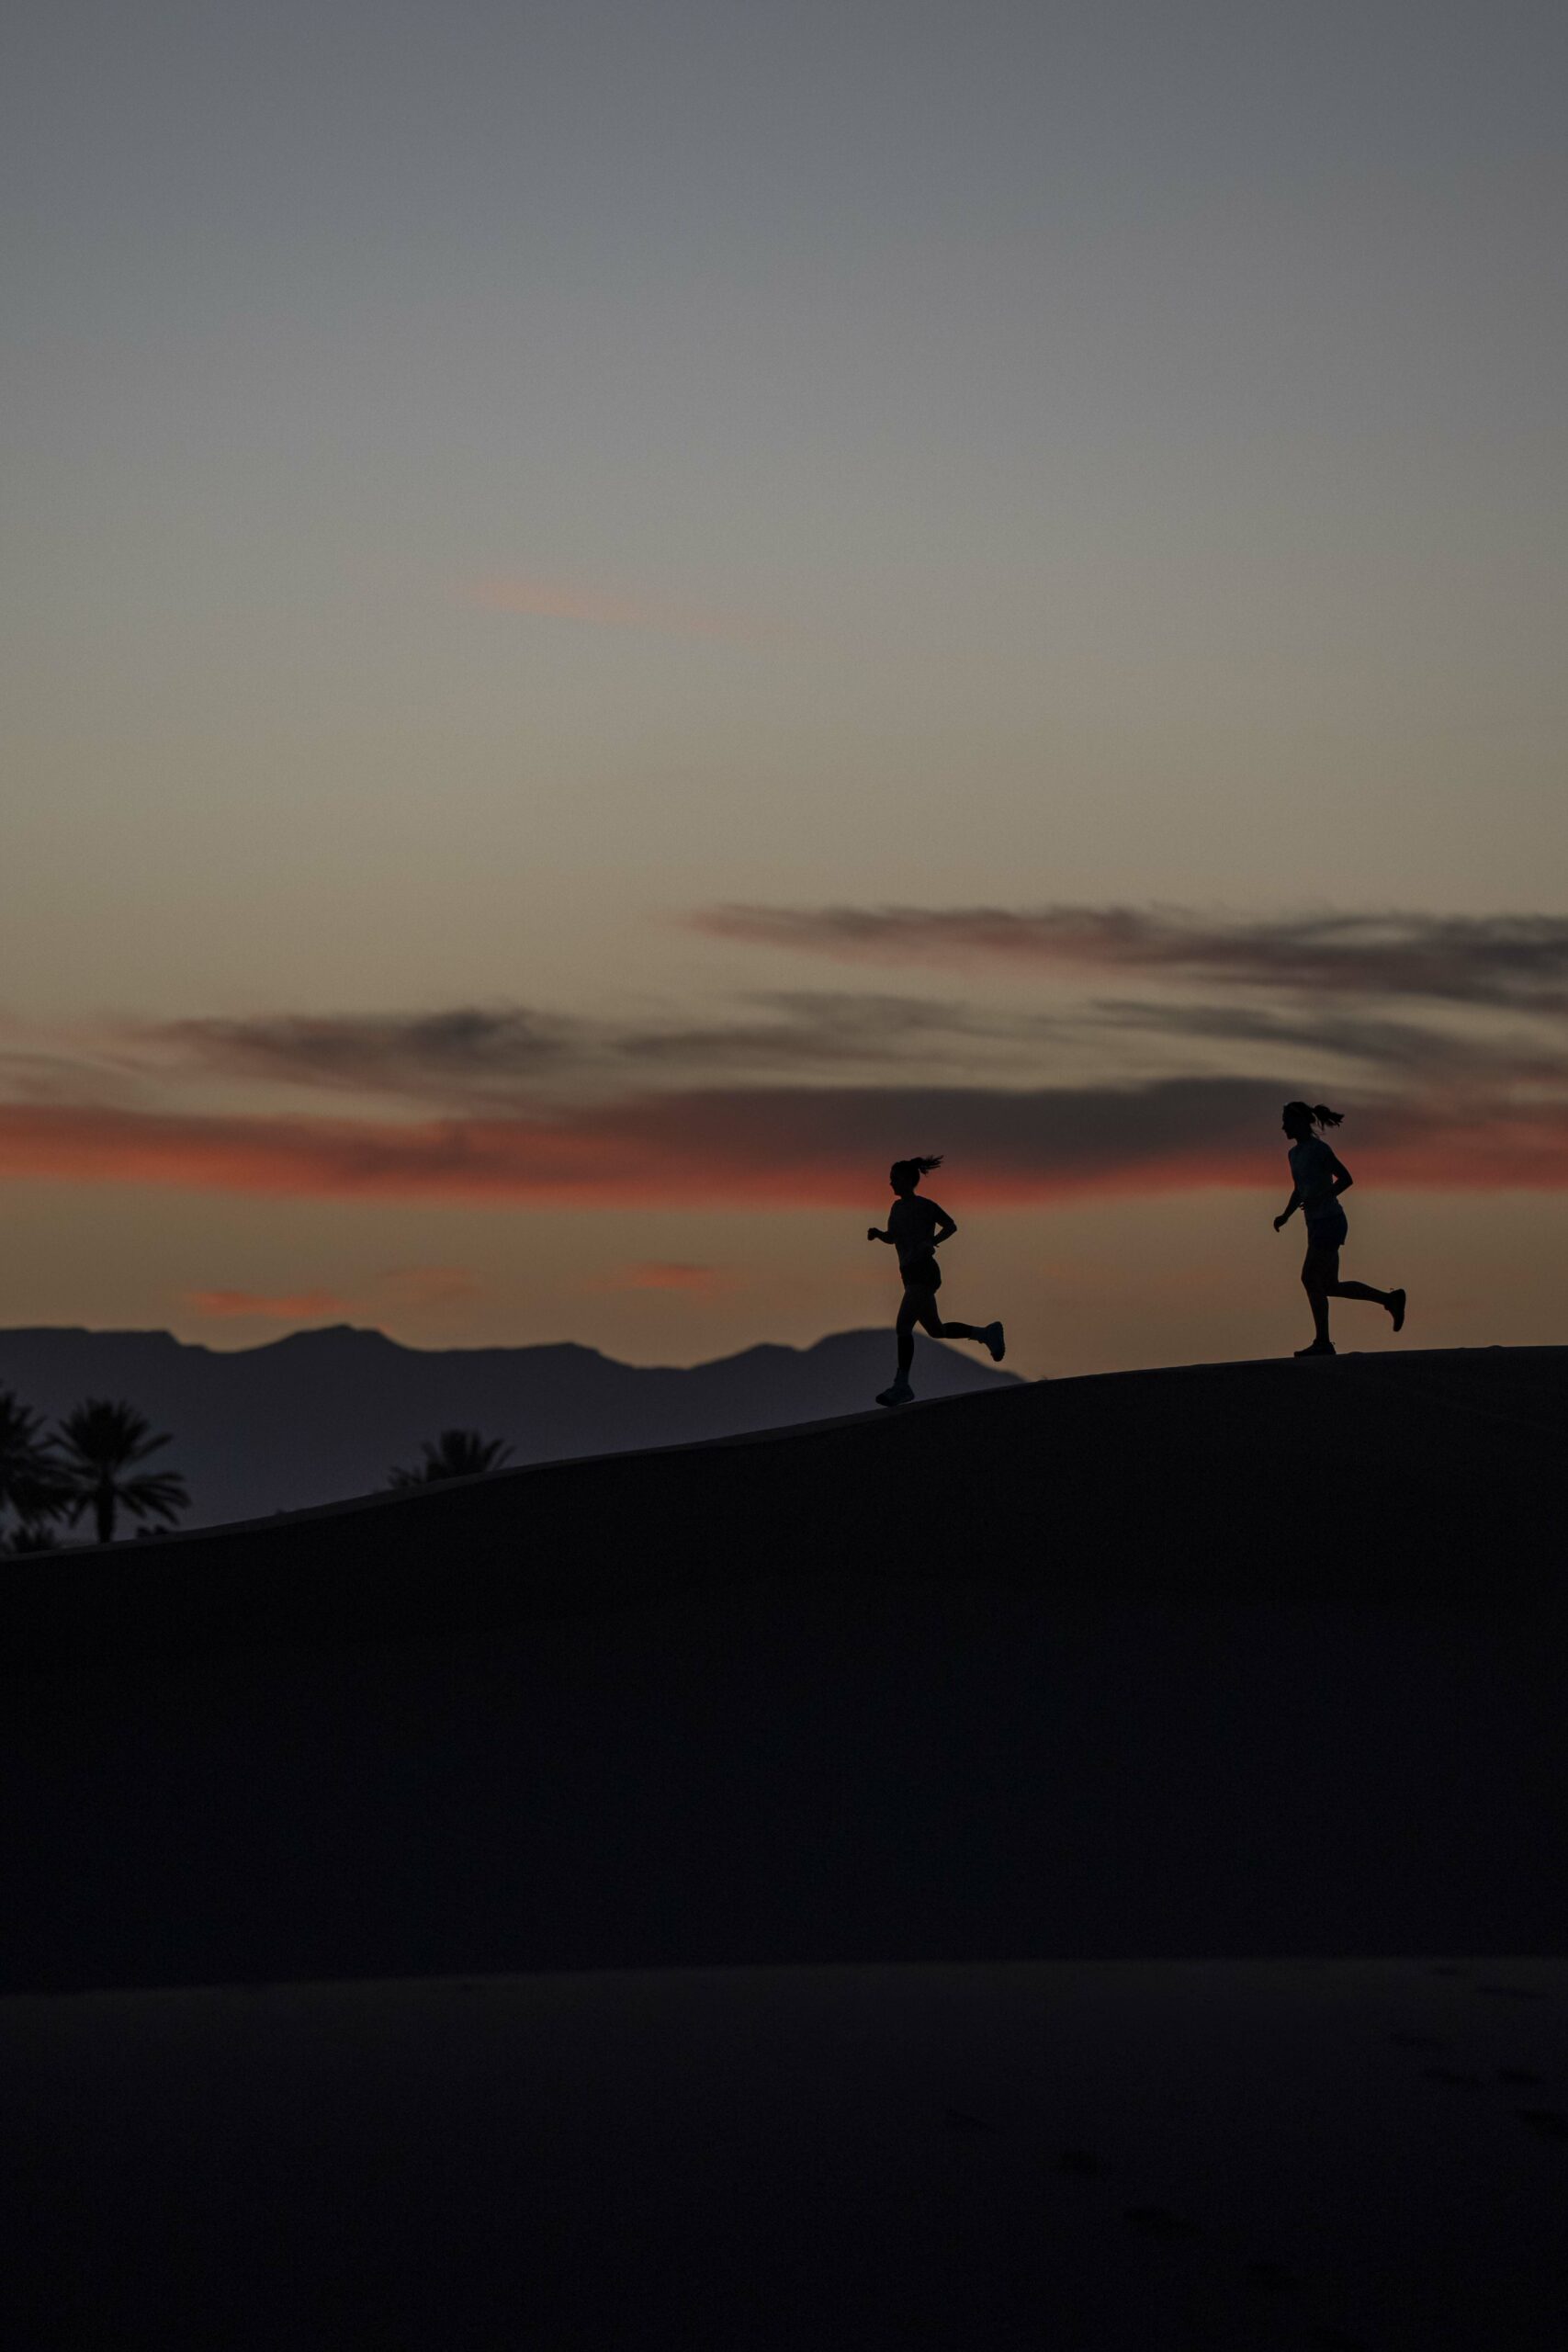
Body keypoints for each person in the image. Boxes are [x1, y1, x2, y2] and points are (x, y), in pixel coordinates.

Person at [866, 1155, 1005, 1407]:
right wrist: (878, 1235)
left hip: (924, 1272)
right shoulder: (896, 1209)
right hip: (908, 1275)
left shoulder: (925, 1206)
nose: (891, 1183)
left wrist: (933, 1242)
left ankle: (902, 1385)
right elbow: (894, 1238)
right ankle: (985, 1333)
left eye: (894, 1178)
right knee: (936, 1330)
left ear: (908, 1180)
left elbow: (951, 1225)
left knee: (902, 1327)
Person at [1274, 1102, 1405, 1359]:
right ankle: (1390, 1301)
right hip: (1314, 1224)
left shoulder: (1319, 1150)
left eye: (1287, 1121)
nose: (1283, 1127)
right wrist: (1286, 1215)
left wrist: (1323, 1197)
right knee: (1329, 1285)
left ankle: (1323, 1342)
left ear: (1300, 1122)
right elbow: (1299, 1189)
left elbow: (1345, 1178)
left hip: (1330, 1221)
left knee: (1310, 1278)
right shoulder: (1294, 1154)